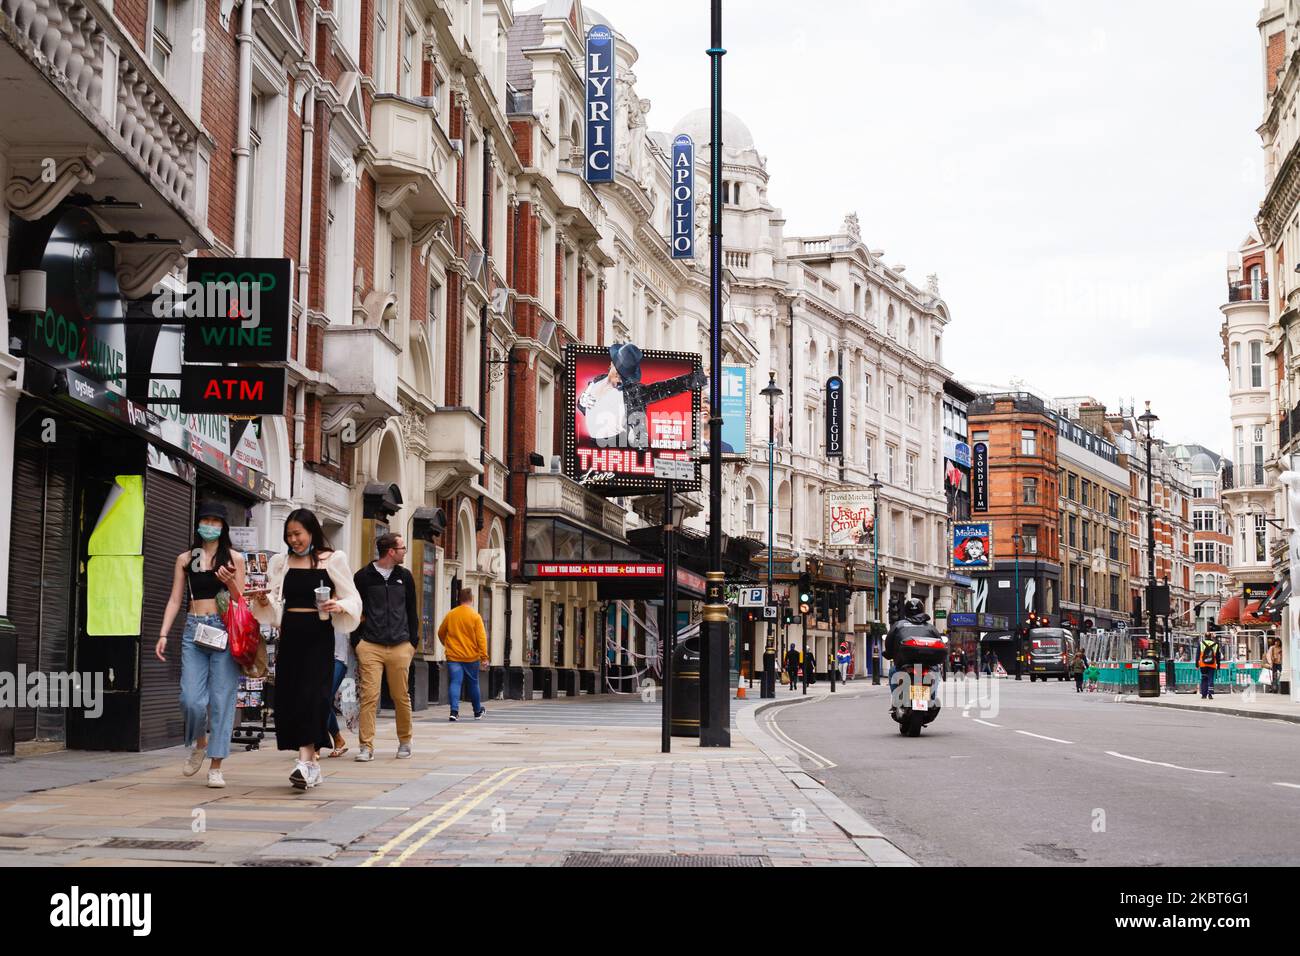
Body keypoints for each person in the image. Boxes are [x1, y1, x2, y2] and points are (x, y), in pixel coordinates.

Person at [250, 509, 362, 790]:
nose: (293, 540)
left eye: (297, 533)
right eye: (289, 535)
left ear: (311, 531)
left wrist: (339, 605)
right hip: (290, 636)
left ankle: (304, 761)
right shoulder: (281, 562)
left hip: (318, 636)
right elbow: (275, 608)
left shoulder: (333, 560)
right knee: (292, 698)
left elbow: (352, 598)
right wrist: (263, 600)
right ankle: (311, 763)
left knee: (314, 697)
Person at [156, 502, 246, 789]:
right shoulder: (186, 558)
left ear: (223, 526)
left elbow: (240, 600)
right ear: (198, 525)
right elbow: (174, 599)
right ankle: (201, 741)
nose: (210, 525)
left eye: (215, 521)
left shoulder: (234, 558)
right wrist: (163, 633)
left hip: (223, 630)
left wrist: (230, 581)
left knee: (221, 700)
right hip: (194, 629)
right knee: (190, 699)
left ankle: (216, 765)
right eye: (205, 520)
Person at [352, 533, 419, 760]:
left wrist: (413, 642)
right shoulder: (363, 577)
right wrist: (357, 642)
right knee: (369, 696)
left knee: (401, 696)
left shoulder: (405, 577)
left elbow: (412, 610)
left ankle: (405, 742)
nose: (404, 552)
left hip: (401, 645)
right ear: (391, 551)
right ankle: (366, 747)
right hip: (370, 644)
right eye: (402, 548)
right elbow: (355, 610)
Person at [577, 342, 707, 449]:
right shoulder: (595, 381)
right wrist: (581, 402)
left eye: (623, 376)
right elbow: (585, 407)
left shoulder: (634, 392)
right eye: (617, 372)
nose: (619, 378)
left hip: (614, 446)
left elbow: (667, 387)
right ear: (611, 364)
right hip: (590, 445)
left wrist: (699, 376)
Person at [437, 589, 489, 721]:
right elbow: (481, 639)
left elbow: (441, 632)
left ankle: (454, 712)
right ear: (472, 599)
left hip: (454, 657)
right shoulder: (475, 616)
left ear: (459, 599)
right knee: (473, 684)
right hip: (471, 657)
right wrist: (484, 657)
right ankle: (477, 712)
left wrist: (446, 644)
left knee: (455, 682)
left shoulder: (451, 615)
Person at [325, 626, 351, 758]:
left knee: (323, 698)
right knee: (323, 701)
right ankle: (338, 739)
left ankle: (315, 745)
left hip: (338, 658)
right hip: (316, 658)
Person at [1196, 628, 1222, 700]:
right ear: (1211, 637)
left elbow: (1197, 655)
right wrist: (1218, 666)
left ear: (1204, 637)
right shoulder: (1215, 645)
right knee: (1211, 679)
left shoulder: (1201, 644)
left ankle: (1203, 695)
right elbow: (1218, 656)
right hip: (1212, 664)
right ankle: (1210, 694)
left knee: (1204, 678)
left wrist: (1196, 664)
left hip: (1203, 664)